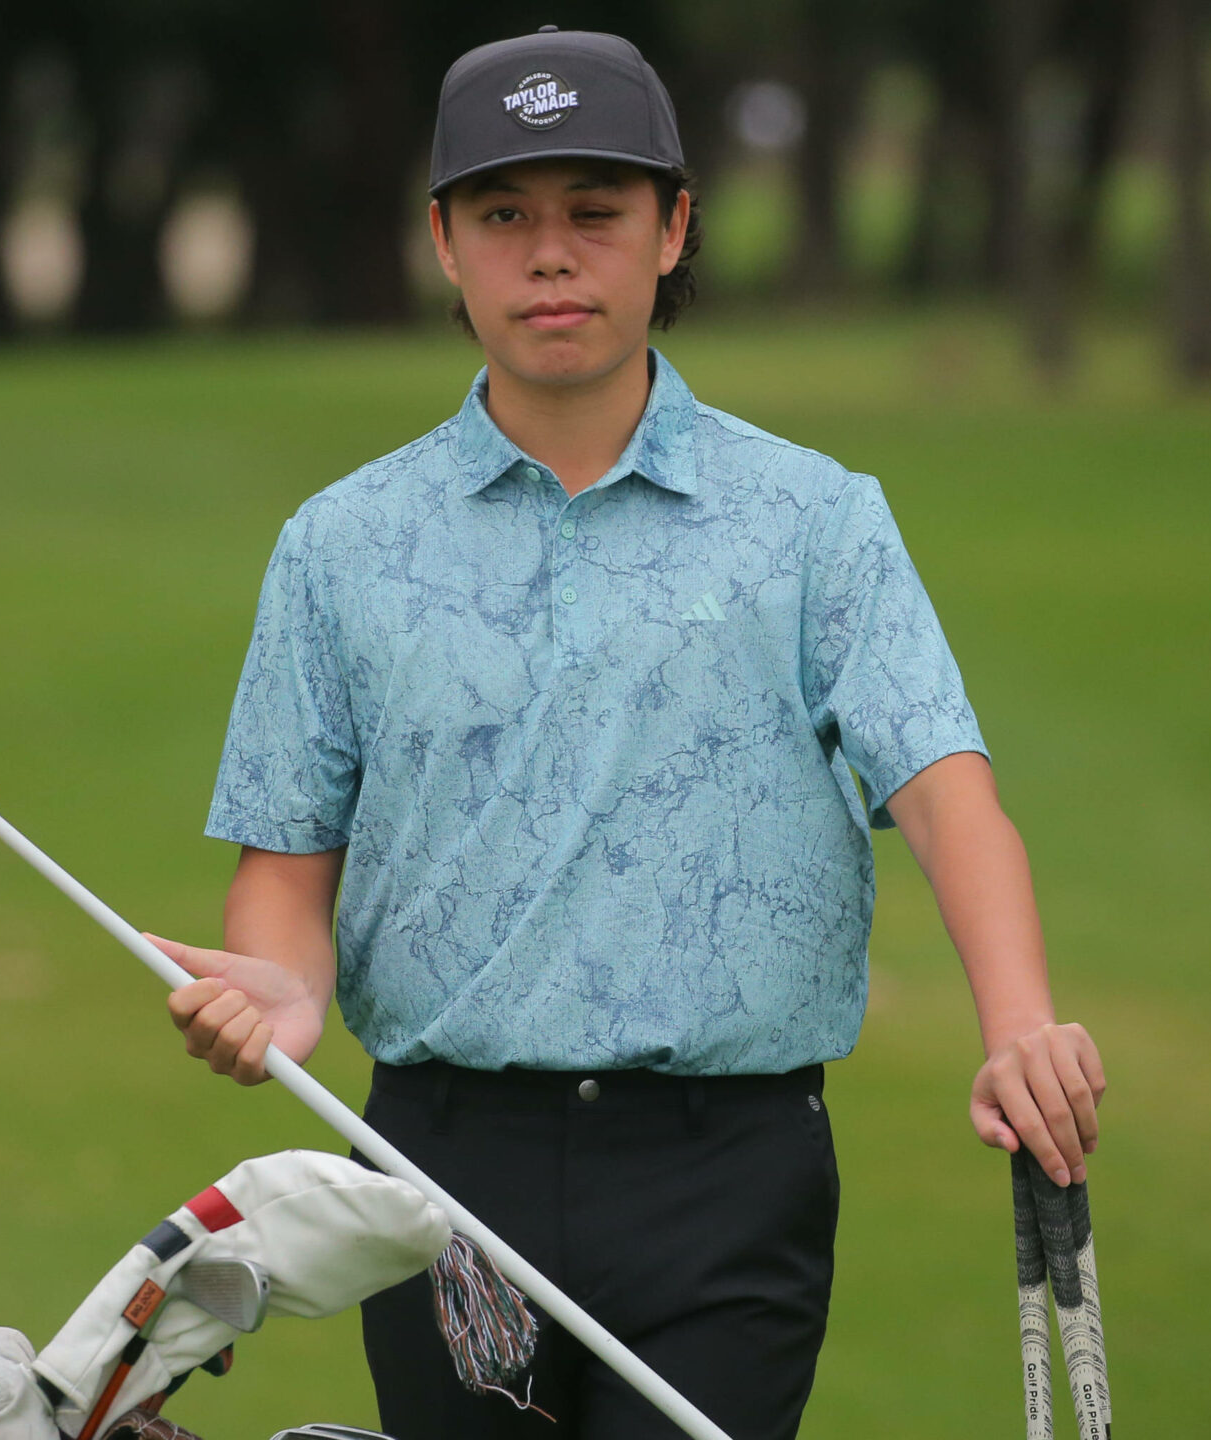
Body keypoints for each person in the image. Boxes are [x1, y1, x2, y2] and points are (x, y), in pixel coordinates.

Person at [142, 26, 1105, 1440]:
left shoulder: (815, 519)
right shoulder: (341, 546)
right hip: (435, 1175)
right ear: (445, 243)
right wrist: (287, 995)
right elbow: (289, 863)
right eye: (505, 217)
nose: (551, 255)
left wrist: (1018, 1021)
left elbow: (950, 791)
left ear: (673, 230)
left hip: (729, 1175)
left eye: (596, 213)